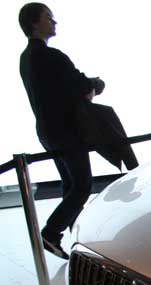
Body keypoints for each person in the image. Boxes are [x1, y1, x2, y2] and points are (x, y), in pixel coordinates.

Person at [18, 3, 105, 260]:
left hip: (47, 131)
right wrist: (96, 83)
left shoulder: (26, 58)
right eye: (49, 17)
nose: (54, 22)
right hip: (67, 131)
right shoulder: (52, 56)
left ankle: (77, 236)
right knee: (82, 186)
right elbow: (81, 85)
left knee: (71, 184)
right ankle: (52, 233)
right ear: (35, 23)